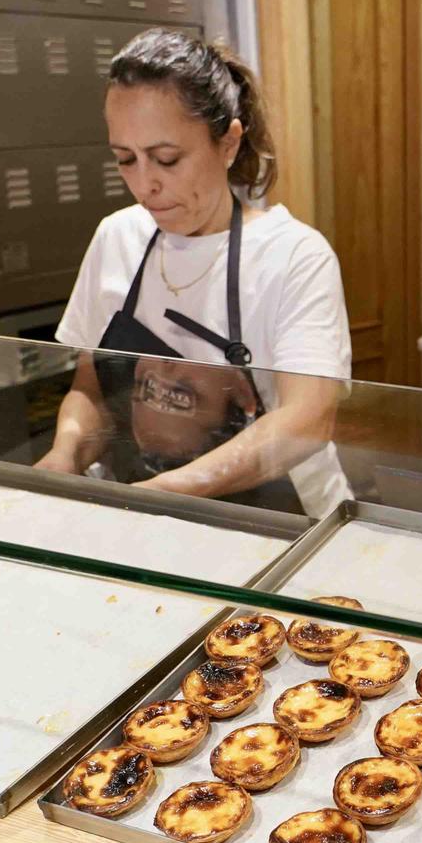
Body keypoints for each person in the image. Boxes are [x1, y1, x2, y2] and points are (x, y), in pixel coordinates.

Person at [38, 29, 351, 515]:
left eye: (167, 159)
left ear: (228, 143)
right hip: (139, 513)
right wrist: (66, 455)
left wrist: (168, 493)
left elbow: (306, 420)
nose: (146, 184)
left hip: (279, 527)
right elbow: (92, 389)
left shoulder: (294, 256)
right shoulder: (117, 238)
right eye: (125, 159)